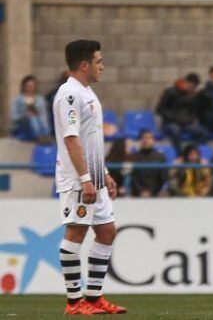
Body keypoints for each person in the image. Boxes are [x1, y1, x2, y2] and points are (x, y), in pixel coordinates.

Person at [53, 39, 126, 315]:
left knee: (107, 231)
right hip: (77, 179)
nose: (102, 67)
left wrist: (103, 173)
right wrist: (85, 178)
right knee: (76, 232)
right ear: (84, 65)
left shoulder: (87, 92)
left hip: (94, 175)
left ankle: (94, 298)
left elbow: (90, 139)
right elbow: (71, 139)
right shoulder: (70, 95)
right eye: (99, 62)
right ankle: (74, 302)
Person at [156, 73, 208, 154]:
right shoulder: (171, 92)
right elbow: (160, 109)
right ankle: (179, 154)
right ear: (186, 82)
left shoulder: (193, 96)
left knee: (204, 133)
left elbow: (194, 113)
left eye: (194, 87)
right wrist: (174, 118)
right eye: (191, 86)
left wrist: (188, 119)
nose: (192, 88)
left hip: (185, 123)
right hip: (170, 122)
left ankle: (190, 151)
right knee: (175, 131)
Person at [10, 75, 51, 142]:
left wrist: (47, 130)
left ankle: (40, 136)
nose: (30, 88)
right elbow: (14, 117)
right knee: (31, 117)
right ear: (24, 87)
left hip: (39, 124)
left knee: (34, 118)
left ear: (35, 87)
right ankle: (40, 137)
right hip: (23, 126)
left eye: (32, 86)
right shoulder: (17, 100)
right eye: (28, 86)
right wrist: (25, 115)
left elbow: (44, 116)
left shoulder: (40, 100)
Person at [130, 130, 168, 198]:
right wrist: (141, 191)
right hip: (137, 195)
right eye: (143, 138)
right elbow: (133, 178)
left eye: (148, 138)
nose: (145, 140)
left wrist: (152, 192)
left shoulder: (160, 157)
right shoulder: (134, 157)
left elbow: (163, 177)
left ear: (153, 140)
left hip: (156, 194)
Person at [45, 70, 70, 137]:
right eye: (65, 79)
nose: (66, 81)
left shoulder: (78, 94)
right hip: (56, 122)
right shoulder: (54, 93)